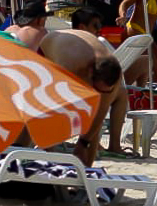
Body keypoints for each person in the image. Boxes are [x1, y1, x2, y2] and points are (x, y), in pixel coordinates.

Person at [38, 30, 126, 164]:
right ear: (90, 73)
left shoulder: (114, 74)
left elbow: (99, 115)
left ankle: (87, 170)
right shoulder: (71, 65)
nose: (100, 93)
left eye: (104, 91)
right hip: (46, 50)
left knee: (93, 120)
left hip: (80, 44)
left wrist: (83, 144)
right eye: (96, 88)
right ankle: (50, 162)